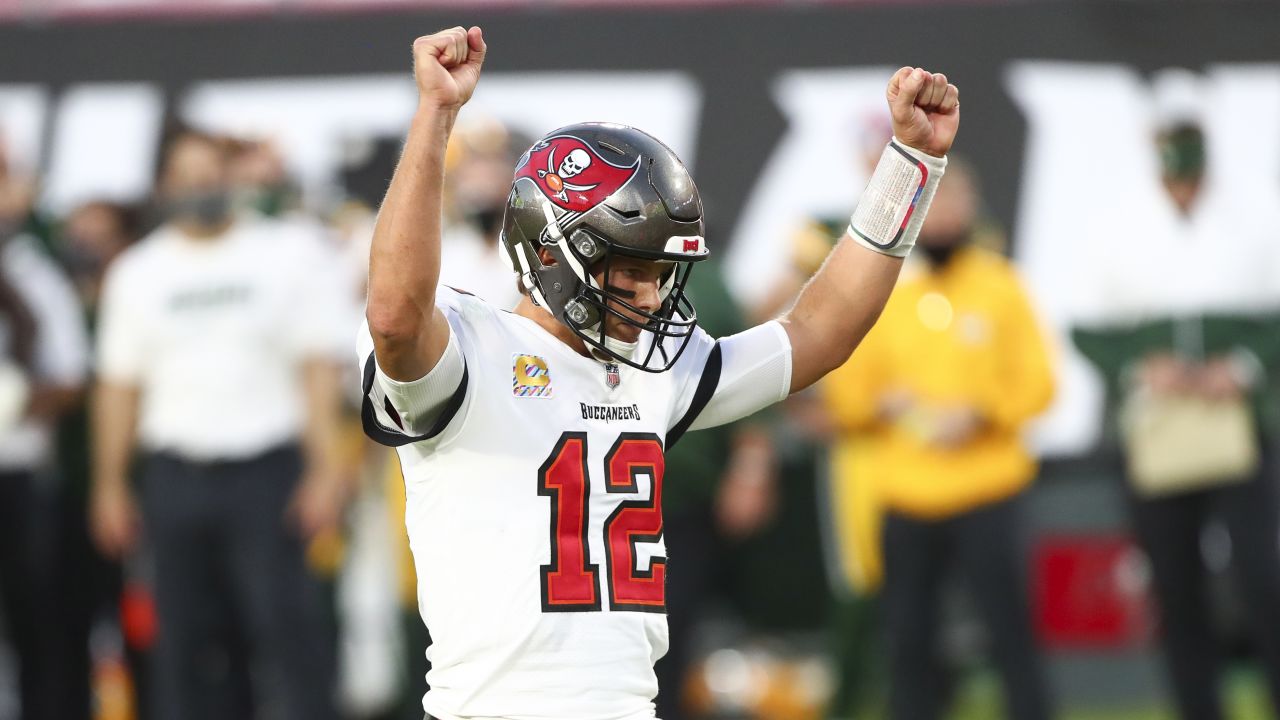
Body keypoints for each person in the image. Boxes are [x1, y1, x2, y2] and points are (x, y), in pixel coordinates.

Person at [360, 26, 957, 720]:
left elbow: (817, 332)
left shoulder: (654, 371)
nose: (649, 296)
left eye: (660, 274)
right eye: (632, 271)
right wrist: (436, 114)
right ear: (553, 254)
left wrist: (910, 166)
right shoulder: (468, 354)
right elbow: (396, 316)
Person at [89, 129, 351, 720]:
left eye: (210, 173)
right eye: (187, 176)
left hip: (267, 472)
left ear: (231, 177)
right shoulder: (139, 271)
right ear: (164, 186)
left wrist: (326, 472)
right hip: (175, 476)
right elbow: (118, 386)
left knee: (288, 635)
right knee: (183, 645)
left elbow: (316, 368)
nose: (200, 187)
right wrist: (110, 483)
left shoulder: (287, 252)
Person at [822, 159, 1055, 720]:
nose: (946, 216)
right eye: (935, 205)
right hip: (906, 493)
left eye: (955, 202)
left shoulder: (1000, 284)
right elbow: (845, 391)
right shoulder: (886, 290)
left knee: (1010, 633)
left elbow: (1040, 384)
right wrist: (882, 402)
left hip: (987, 487)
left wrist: (981, 412)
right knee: (908, 641)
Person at [1072, 118, 1280, 720]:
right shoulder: (1121, 227)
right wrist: (1143, 369)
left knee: (1261, 578)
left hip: (1235, 425)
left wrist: (1239, 368)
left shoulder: (1254, 218)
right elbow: (1087, 329)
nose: (1184, 189)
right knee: (1176, 585)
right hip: (1158, 431)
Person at [0, 146, 93, 720]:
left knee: (36, 619)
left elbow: (70, 376)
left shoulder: (32, 269)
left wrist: (16, 400)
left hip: (19, 473)